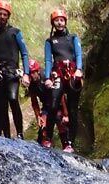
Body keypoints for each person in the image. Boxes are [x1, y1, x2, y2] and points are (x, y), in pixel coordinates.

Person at [0, 0, 30, 139]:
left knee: (13, 99)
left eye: (5, 14)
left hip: (12, 73)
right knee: (2, 106)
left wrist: (26, 73)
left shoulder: (15, 32)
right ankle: (7, 136)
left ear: (8, 16)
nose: (2, 16)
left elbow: (24, 53)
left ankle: (20, 134)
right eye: (0, 14)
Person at [42, 7, 83, 153]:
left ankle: (70, 143)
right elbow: (48, 60)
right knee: (53, 105)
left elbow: (78, 55)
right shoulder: (50, 41)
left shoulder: (73, 38)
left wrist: (79, 69)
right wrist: (47, 77)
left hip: (72, 74)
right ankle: (48, 138)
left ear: (65, 22)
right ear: (53, 23)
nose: (59, 23)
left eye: (61, 20)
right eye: (56, 21)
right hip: (57, 74)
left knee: (72, 109)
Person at [27, 59, 69, 148]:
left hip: (58, 105)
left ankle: (66, 145)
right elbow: (34, 102)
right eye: (30, 73)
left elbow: (61, 95)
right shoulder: (31, 84)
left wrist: (65, 113)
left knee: (60, 121)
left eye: (33, 73)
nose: (32, 75)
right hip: (46, 107)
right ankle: (45, 146)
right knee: (43, 128)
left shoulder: (47, 76)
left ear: (38, 71)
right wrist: (38, 116)